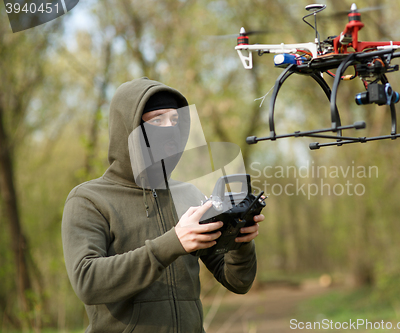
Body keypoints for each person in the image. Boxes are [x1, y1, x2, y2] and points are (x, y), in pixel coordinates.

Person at [62, 77, 264, 333]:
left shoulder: (189, 193)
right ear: (129, 127)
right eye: (157, 119)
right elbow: (87, 281)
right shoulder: (89, 199)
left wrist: (240, 240)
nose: (169, 128)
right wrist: (172, 244)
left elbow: (238, 282)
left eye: (175, 120)